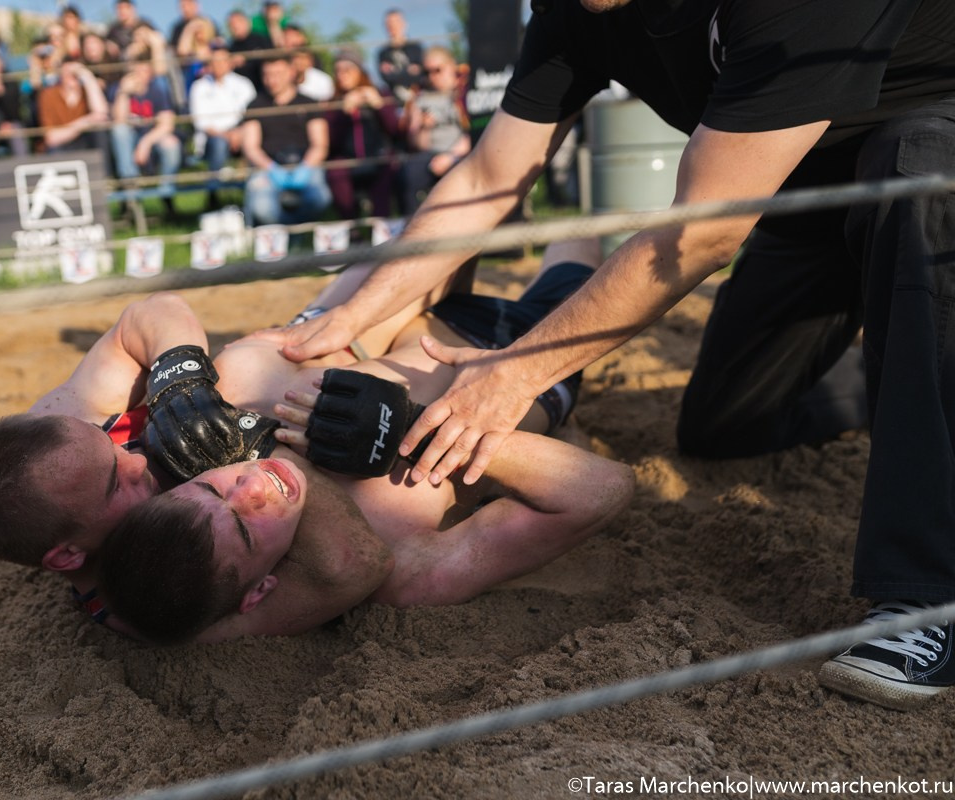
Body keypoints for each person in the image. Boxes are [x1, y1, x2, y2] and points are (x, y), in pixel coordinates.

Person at [276, 0, 955, 712]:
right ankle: (900, 367)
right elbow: (488, 178)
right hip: (804, 198)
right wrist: (352, 311)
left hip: (928, 139)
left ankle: (924, 597)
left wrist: (514, 371)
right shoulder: (573, 11)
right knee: (722, 426)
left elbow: (702, 234)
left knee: (919, 175)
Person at [93, 256, 633, 644]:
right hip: (516, 355)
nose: (250, 484)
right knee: (579, 256)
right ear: (261, 593)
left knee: (476, 195)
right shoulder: (401, 568)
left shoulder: (206, 436)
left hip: (401, 312)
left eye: (210, 486)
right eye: (242, 525)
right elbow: (602, 489)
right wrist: (408, 425)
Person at [0, 290, 397, 641]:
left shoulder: (60, 440)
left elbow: (151, 312)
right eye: (113, 484)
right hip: (332, 408)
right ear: (68, 555)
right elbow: (349, 564)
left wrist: (178, 382)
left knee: (243, 367)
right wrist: (249, 445)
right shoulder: (155, 601)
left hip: (309, 349)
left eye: (110, 444)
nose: (134, 456)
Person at [240, 54, 331, 227]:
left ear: (291, 72)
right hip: (267, 168)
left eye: (278, 74)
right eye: (267, 75)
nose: (271, 80)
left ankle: (297, 233)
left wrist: (306, 167)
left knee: (320, 199)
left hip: (306, 165)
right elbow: (251, 147)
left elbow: (320, 144)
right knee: (262, 208)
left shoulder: (310, 103)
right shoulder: (255, 105)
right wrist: (271, 168)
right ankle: (287, 233)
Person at [324, 49, 400, 220]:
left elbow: (394, 131)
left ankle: (380, 228)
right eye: (338, 71)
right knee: (335, 172)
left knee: (386, 167)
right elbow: (332, 143)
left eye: (347, 70)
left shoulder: (380, 94)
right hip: (347, 160)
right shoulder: (332, 102)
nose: (342, 75)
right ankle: (353, 230)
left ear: (360, 71)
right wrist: (343, 113)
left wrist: (380, 106)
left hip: (378, 156)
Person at [398, 45, 470, 215]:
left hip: (461, 154)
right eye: (427, 71)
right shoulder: (419, 98)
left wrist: (450, 157)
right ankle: (413, 230)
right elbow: (418, 145)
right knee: (408, 174)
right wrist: (424, 128)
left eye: (437, 70)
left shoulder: (465, 92)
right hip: (430, 156)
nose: (432, 76)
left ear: (451, 66)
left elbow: (474, 134)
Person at [188, 41, 256, 210]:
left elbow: (252, 115)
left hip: (241, 135)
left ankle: (254, 194)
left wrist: (238, 133)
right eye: (214, 61)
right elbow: (201, 122)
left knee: (254, 141)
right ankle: (214, 196)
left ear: (230, 62)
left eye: (222, 60)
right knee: (218, 144)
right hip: (213, 139)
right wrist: (227, 136)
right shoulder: (199, 87)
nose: (218, 65)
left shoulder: (244, 84)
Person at [109, 54, 181, 206]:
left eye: (144, 70)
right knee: (119, 130)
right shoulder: (118, 89)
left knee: (171, 144)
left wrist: (145, 144)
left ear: (150, 73)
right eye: (136, 71)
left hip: (151, 140)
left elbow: (167, 124)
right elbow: (118, 120)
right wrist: (123, 93)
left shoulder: (158, 91)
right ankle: (131, 189)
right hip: (129, 143)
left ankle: (166, 193)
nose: (140, 75)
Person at [37, 58, 110, 155]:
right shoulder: (49, 94)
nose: (72, 75)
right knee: (55, 150)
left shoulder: (87, 91)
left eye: (75, 72)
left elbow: (101, 114)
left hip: (85, 142)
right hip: (61, 146)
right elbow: (52, 138)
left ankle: (104, 169)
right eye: (68, 72)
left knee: (100, 133)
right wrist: (85, 121)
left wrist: (88, 77)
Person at [376, 7, 425, 105]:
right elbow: (387, 78)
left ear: (404, 24)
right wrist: (409, 71)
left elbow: (421, 75)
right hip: (395, 104)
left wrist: (394, 71)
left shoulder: (416, 48)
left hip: (419, 100)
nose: (393, 26)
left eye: (396, 22)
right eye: (389, 24)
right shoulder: (383, 53)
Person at [225, 9, 271, 95]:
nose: (235, 26)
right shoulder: (231, 47)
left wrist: (247, 59)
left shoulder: (261, 39)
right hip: (242, 92)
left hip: (264, 88)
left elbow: (271, 60)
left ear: (246, 22)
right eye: (231, 24)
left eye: (238, 22)